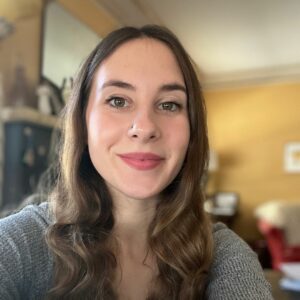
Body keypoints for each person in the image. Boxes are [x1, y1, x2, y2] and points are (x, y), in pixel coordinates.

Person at [0, 25, 273, 300]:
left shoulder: (224, 254)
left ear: (192, 131)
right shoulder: (22, 243)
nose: (144, 128)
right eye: (118, 100)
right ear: (83, 123)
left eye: (169, 104)